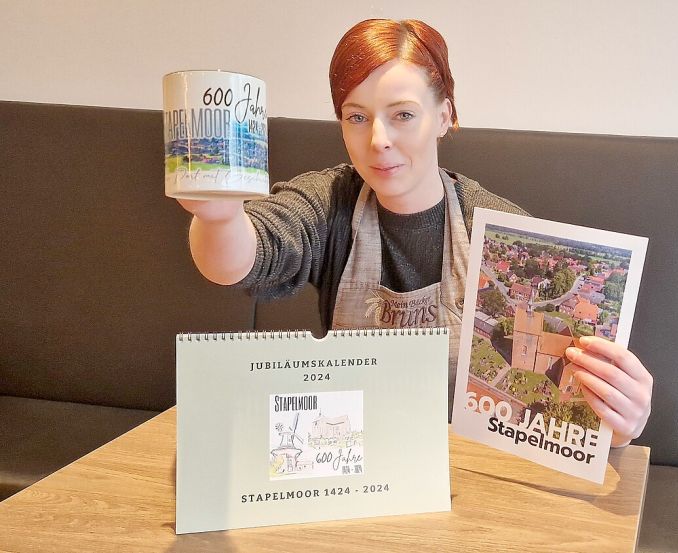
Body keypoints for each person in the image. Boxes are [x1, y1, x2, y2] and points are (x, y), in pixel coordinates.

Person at [177, 19, 653, 447]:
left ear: (444, 115)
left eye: (402, 114)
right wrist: (218, 216)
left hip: (472, 477)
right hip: (353, 464)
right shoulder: (332, 203)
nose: (378, 139)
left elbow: (562, 403)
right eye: (357, 117)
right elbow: (253, 251)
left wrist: (616, 419)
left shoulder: (497, 228)